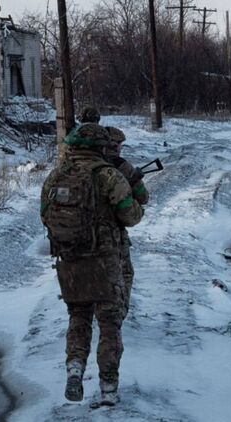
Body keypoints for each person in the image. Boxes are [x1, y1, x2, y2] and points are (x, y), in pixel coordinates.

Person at [40, 122, 143, 406]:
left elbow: (45, 214)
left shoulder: (56, 176)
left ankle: (74, 370)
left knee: (79, 317)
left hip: (71, 260)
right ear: (101, 147)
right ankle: (108, 387)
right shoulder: (108, 175)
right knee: (109, 324)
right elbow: (131, 216)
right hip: (105, 262)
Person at [105, 126, 149, 318]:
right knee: (124, 274)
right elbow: (143, 197)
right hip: (112, 235)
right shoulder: (121, 166)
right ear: (115, 146)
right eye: (119, 144)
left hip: (78, 237)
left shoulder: (74, 166)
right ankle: (116, 318)